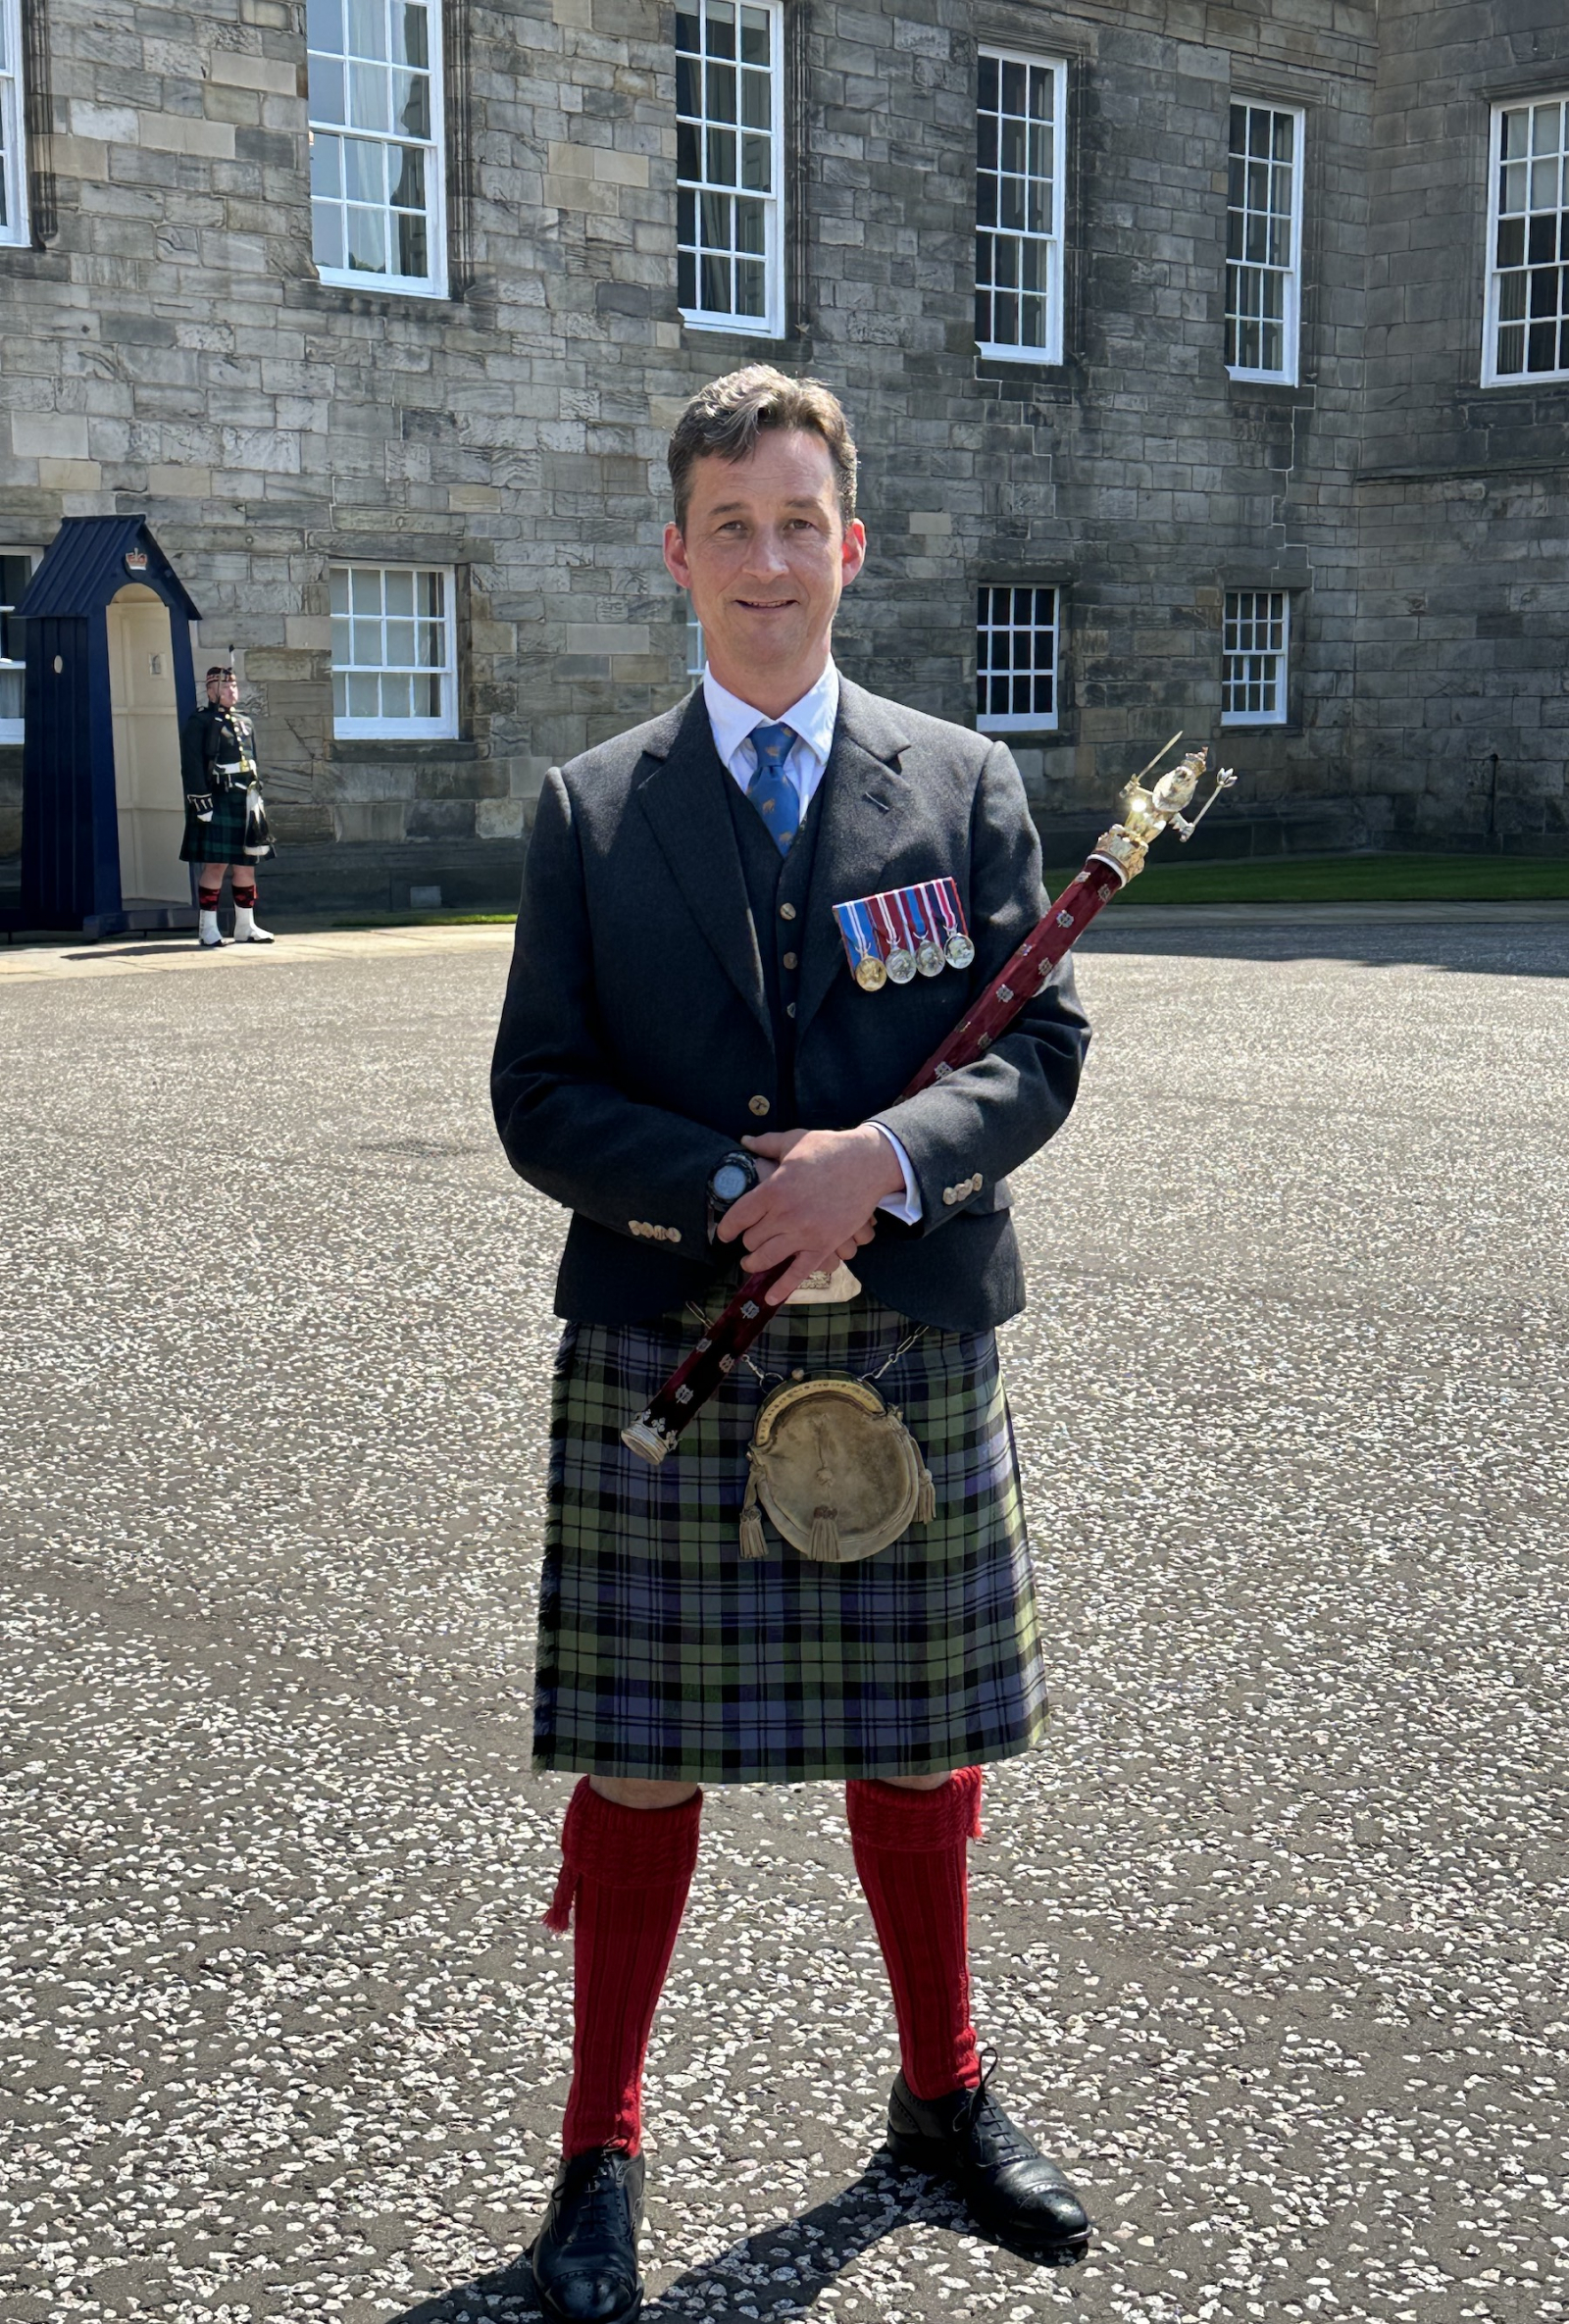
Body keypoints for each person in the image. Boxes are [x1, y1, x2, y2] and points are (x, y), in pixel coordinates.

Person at [490, 366, 1094, 2324]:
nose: (768, 561)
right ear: (675, 553)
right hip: (668, 1333)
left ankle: (940, 2098)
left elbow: (1036, 1048)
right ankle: (600, 2152)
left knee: (917, 1751)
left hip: (903, 1334)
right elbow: (538, 1096)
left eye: (798, 521)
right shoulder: (589, 811)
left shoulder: (964, 782)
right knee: (639, 1764)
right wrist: (733, 1192)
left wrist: (880, 1167)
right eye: (728, 526)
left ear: (855, 539)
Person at [179, 664, 275, 946]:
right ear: (210, 692)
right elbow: (192, 765)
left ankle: (245, 926)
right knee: (216, 865)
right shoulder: (199, 723)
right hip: (217, 798)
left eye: (233, 686)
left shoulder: (245, 722)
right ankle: (208, 928)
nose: (231, 691)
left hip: (245, 799)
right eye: (224, 687)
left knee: (247, 864)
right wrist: (201, 802)